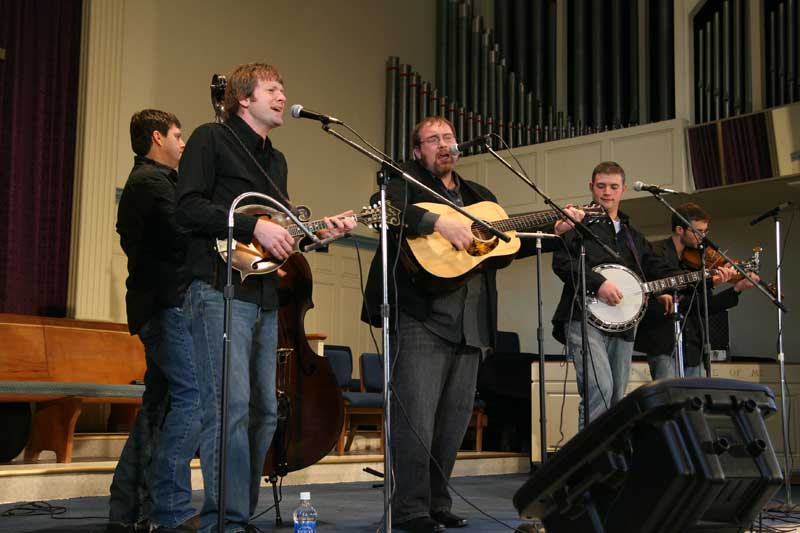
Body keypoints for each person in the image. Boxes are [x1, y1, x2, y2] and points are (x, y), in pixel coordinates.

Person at [362, 116, 583, 533]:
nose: (444, 144)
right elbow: (383, 209)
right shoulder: (404, 180)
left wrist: (554, 231)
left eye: (449, 137)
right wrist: (437, 222)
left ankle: (438, 502)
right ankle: (410, 509)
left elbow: (500, 249)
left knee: (452, 422)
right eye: (433, 139)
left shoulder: (481, 196)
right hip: (421, 316)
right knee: (417, 417)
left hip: (472, 320)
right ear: (417, 151)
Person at [176, 63, 356, 533]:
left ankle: (239, 513)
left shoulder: (276, 160)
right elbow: (189, 206)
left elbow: (283, 238)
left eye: (282, 89)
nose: (281, 96)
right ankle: (225, 520)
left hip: (265, 295)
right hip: (217, 289)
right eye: (272, 89)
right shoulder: (208, 139)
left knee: (265, 410)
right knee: (229, 409)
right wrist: (253, 224)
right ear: (243, 98)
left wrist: (318, 235)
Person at [111, 109, 201, 533]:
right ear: (156, 137)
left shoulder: (158, 182)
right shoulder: (151, 182)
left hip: (159, 305)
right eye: (177, 136)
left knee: (157, 407)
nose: (182, 144)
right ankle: (171, 509)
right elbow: (181, 233)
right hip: (166, 306)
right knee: (194, 398)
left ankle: (127, 510)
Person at [551, 161, 681, 430]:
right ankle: (589, 464)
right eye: (601, 186)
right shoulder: (577, 223)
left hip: (623, 324)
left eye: (613, 187)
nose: (606, 193)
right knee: (599, 388)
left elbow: (654, 267)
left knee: (615, 398)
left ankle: (608, 459)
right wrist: (599, 284)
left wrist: (698, 278)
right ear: (591, 187)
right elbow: (563, 263)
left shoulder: (633, 236)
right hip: (583, 317)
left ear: (623, 190)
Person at [634, 202, 758, 379]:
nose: (703, 237)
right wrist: (709, 281)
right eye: (698, 231)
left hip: (693, 345)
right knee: (668, 398)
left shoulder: (698, 259)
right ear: (679, 229)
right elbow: (660, 285)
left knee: (695, 399)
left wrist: (737, 289)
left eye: (705, 231)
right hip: (663, 341)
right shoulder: (654, 252)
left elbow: (705, 306)